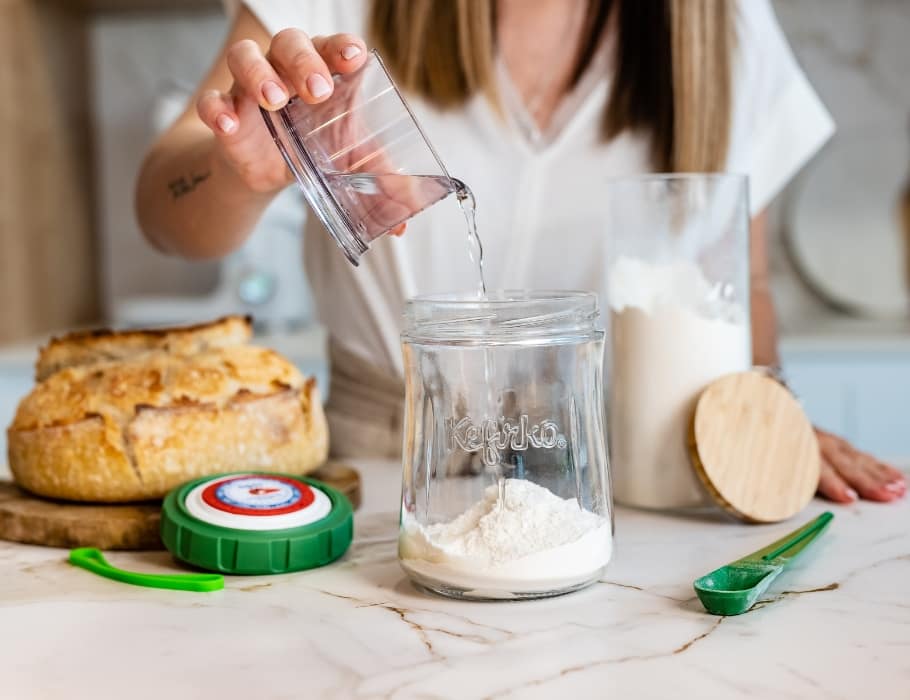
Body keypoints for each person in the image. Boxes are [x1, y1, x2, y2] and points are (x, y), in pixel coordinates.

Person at [136, 0, 906, 504]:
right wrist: (243, 171)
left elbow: (747, 279)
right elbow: (163, 214)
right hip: (375, 473)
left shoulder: (727, 30)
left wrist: (762, 413)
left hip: (630, 484)